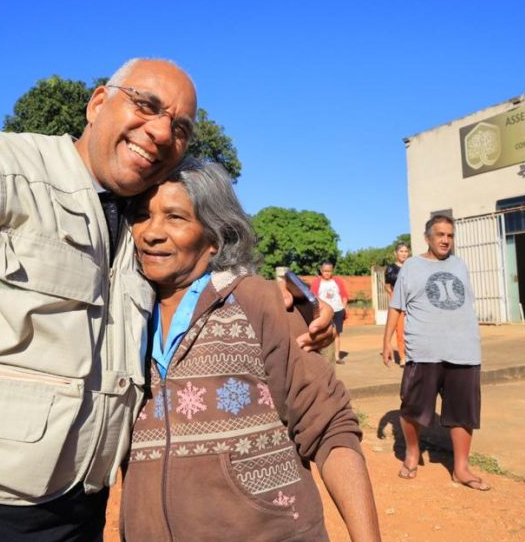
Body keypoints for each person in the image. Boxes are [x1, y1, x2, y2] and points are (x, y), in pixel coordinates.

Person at [0, 59, 334, 542]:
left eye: (180, 128)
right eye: (146, 105)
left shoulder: (135, 227)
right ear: (97, 104)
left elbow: (207, 278)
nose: (160, 132)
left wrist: (302, 304)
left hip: (77, 518)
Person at [120, 159, 381, 541]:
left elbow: (329, 427)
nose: (151, 233)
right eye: (142, 215)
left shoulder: (259, 301)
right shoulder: (123, 315)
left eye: (175, 217)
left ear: (214, 237)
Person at [381, 214, 489, 491]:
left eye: (450, 236)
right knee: (413, 407)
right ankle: (412, 452)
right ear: (427, 237)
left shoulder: (460, 265)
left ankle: (461, 468)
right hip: (424, 349)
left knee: (463, 411)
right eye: (440, 234)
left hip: (463, 349)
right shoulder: (412, 266)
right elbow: (396, 306)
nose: (445, 240)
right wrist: (387, 341)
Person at [311, 261, 349, 364]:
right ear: (321, 271)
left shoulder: (337, 281)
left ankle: (337, 357)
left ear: (332, 271)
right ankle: (321, 357)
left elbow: (344, 295)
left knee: (336, 334)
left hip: (337, 311)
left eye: (329, 271)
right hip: (324, 313)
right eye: (325, 271)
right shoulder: (317, 282)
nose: (327, 273)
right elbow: (312, 298)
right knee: (323, 334)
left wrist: (343, 307)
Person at [384, 242, 411, 367]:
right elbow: (387, 286)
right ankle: (403, 357)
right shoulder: (391, 269)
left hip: (411, 302)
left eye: (406, 251)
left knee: (412, 329)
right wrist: (394, 296)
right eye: (401, 251)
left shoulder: (412, 266)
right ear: (396, 253)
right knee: (400, 330)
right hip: (398, 303)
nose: (404, 254)